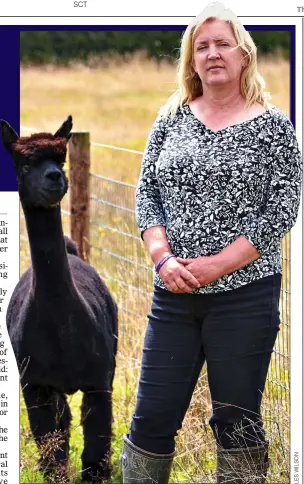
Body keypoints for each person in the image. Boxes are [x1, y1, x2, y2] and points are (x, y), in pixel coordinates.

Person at [120, 2, 302, 483]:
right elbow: (148, 193)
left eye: (222, 43)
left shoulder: (272, 126)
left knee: (235, 422)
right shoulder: (171, 117)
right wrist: (162, 258)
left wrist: (219, 264)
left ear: (244, 54)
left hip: (245, 296)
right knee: (152, 418)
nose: (213, 53)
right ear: (191, 60)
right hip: (174, 294)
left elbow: (282, 208)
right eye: (202, 46)